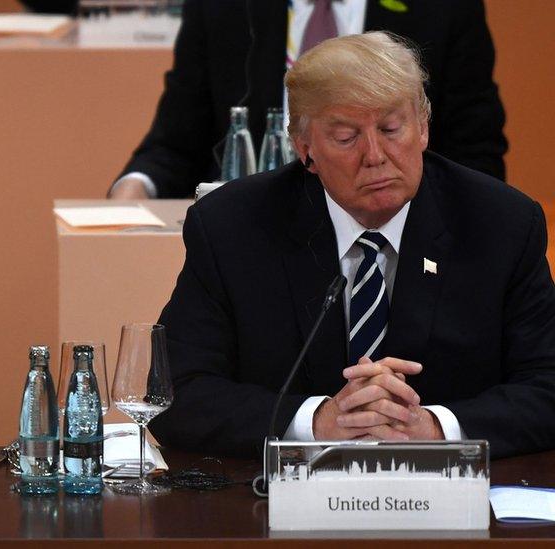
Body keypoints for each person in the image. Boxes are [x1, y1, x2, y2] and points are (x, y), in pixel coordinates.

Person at [148, 31, 555, 459]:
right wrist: (318, 421)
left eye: (391, 128)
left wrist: (434, 428)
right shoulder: (232, 226)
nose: (375, 155)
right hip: (276, 508)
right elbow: (172, 393)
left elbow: (548, 386)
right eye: (346, 137)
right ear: (305, 149)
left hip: (456, 503)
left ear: (423, 128)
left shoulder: (501, 223)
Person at [110, 0, 508, 199]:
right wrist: (132, 191)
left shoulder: (443, 9)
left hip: (394, 231)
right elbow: (176, 145)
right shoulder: (222, 9)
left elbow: (474, 152)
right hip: (252, 234)